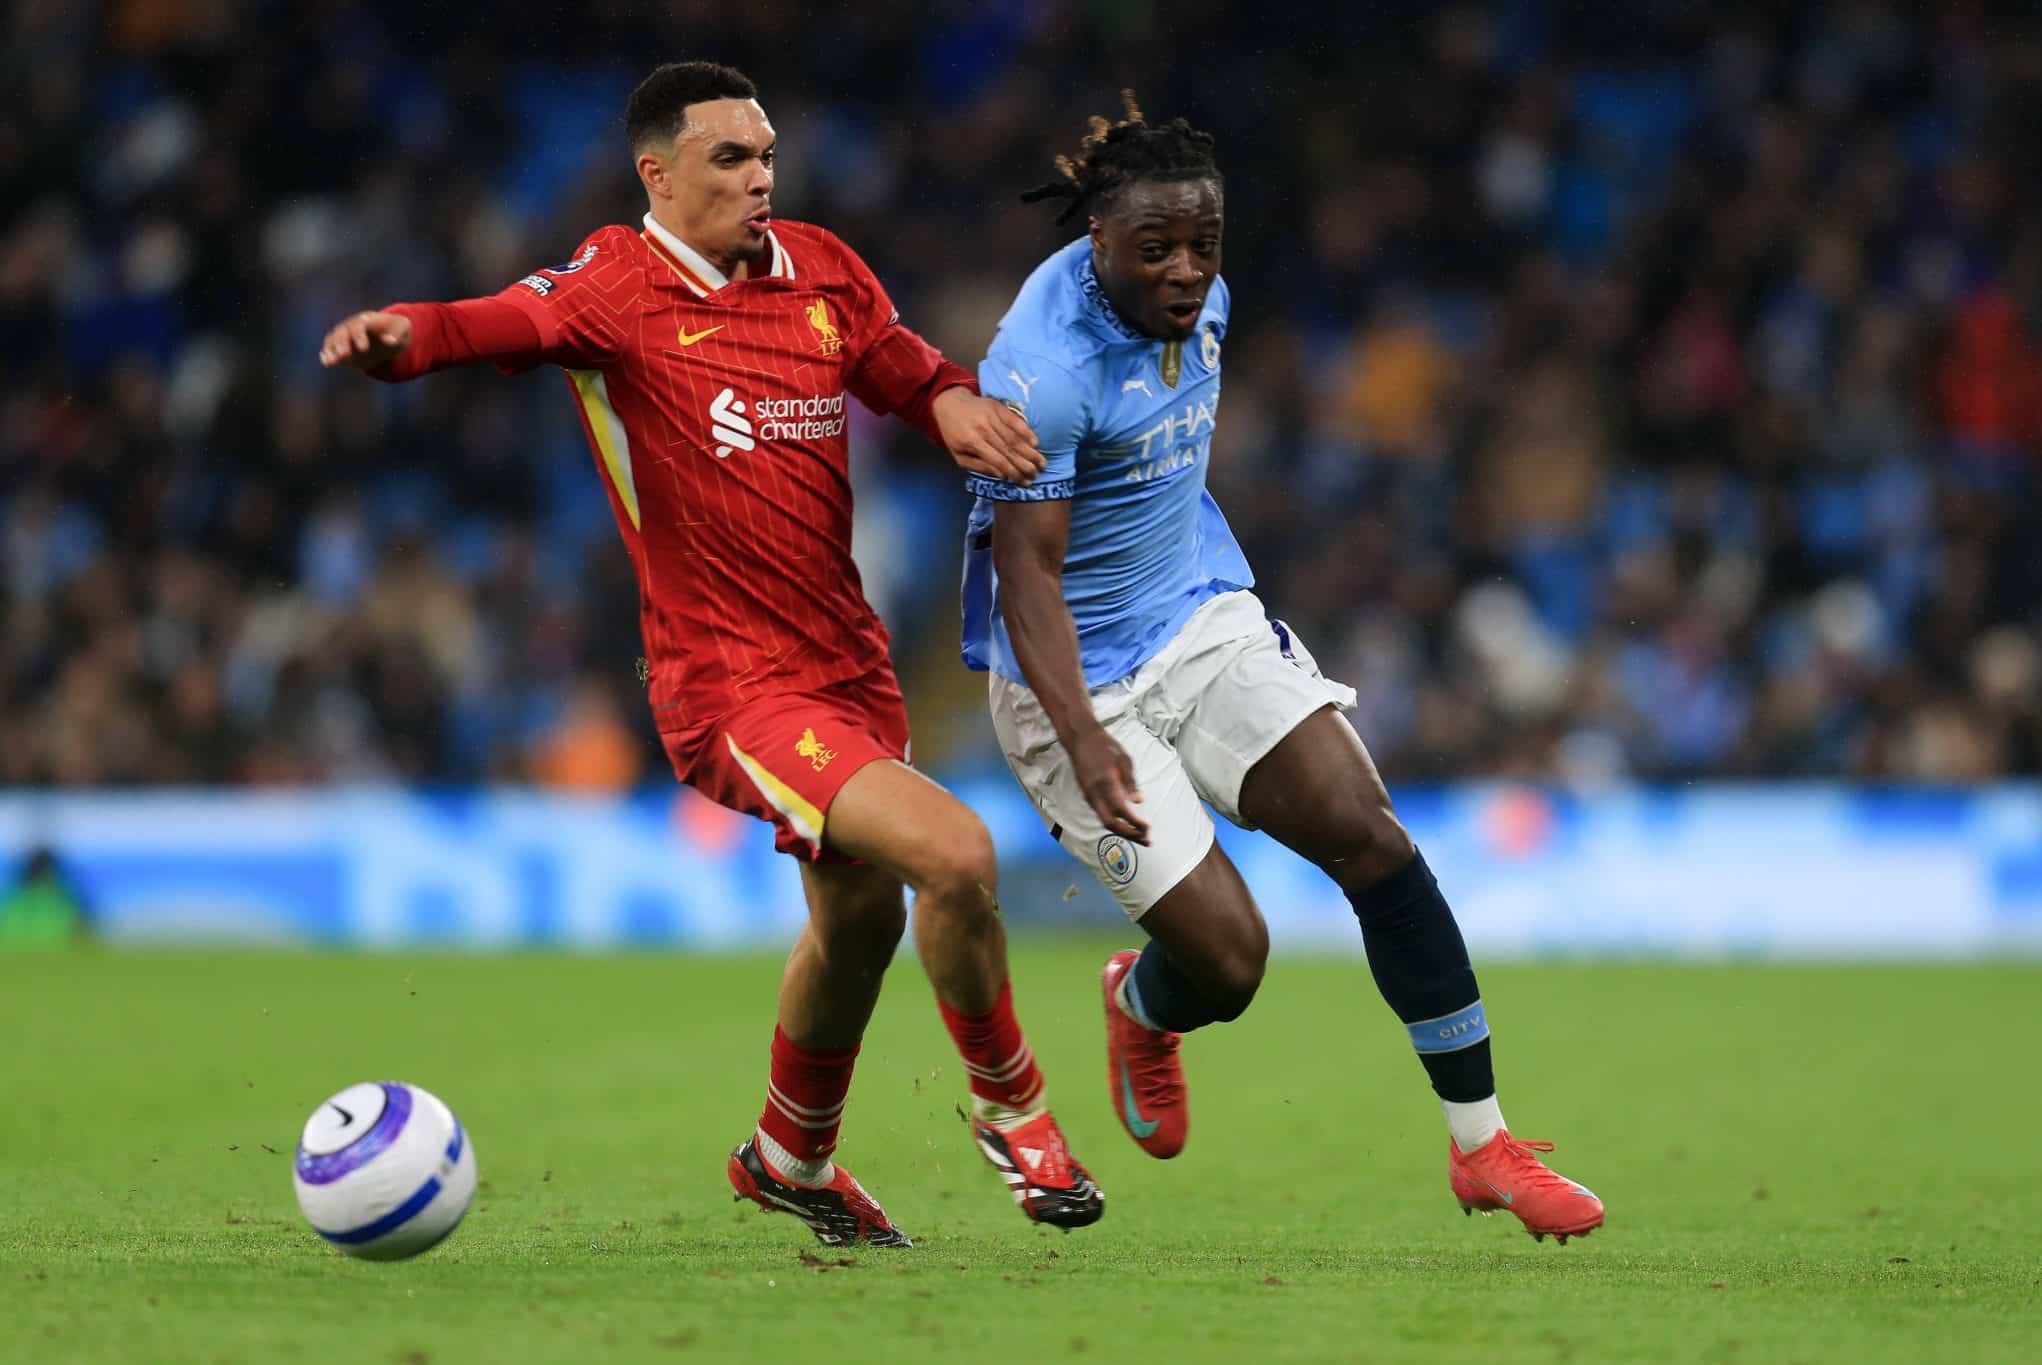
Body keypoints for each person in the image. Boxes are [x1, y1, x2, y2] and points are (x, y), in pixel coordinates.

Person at [321, 61, 1103, 1247]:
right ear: (658, 174)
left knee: (858, 927)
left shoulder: (821, 267)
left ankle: (790, 1157)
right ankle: (1017, 1114)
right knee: (953, 850)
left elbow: (895, 363)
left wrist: (944, 403)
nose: (759, 178)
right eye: (730, 159)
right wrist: (400, 343)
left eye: (766, 154)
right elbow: (495, 322)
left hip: (847, 666)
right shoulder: (616, 285)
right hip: (731, 685)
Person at [961, 95, 1602, 1244]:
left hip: (1196, 617)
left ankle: (1482, 1147)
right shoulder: (1040, 373)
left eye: (1202, 244)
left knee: (1371, 835)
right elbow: (1027, 579)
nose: (1183, 270)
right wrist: (1087, 734)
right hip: (1069, 682)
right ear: (1092, 241)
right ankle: (1140, 1002)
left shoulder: (1202, 300)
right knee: (1231, 960)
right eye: (1152, 249)